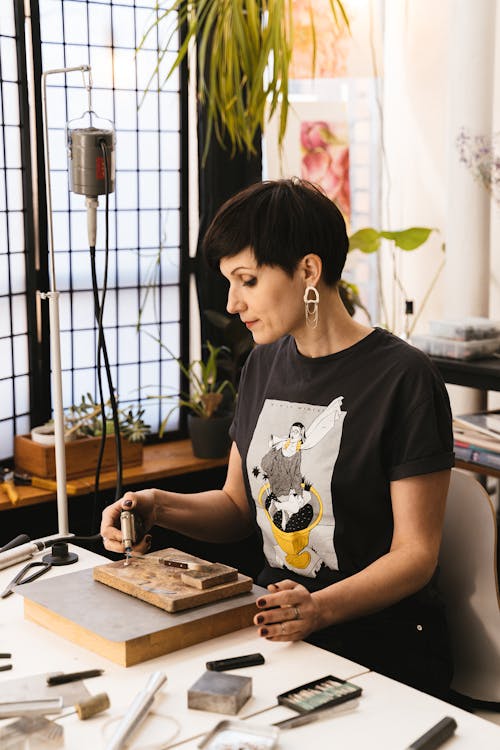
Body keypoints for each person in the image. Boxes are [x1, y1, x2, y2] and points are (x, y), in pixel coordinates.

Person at [101, 178, 454, 698]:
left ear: (308, 270)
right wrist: (158, 506)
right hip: (274, 623)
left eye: (246, 279)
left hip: (380, 640)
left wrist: (321, 607)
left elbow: (415, 555)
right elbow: (237, 506)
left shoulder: (404, 378)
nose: (233, 301)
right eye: (228, 282)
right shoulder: (262, 364)